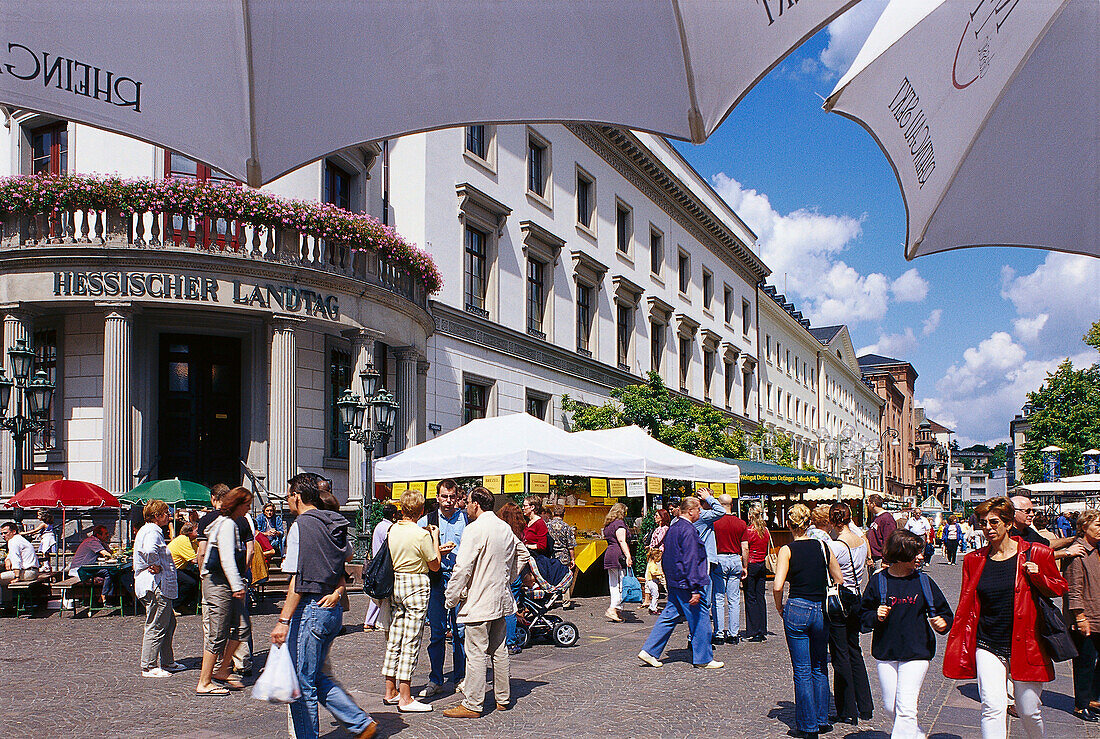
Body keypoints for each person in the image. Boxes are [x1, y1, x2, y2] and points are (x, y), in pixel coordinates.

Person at [944, 496, 1067, 739]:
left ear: (1009, 524)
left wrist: (1038, 575)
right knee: (992, 706)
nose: (987, 528)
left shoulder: (1037, 553)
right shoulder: (973, 560)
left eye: (994, 522)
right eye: (983, 523)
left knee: (1028, 710)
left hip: (1027, 643)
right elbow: (968, 604)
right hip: (987, 642)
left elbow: (1059, 588)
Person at [270, 475, 377, 739]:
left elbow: (297, 578)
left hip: (310, 608)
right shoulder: (334, 521)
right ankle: (360, 723)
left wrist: (283, 620)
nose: (287, 501)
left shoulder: (300, 526)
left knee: (301, 683)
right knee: (315, 675)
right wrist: (338, 587)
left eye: (287, 496)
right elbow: (348, 555)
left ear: (296, 495)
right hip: (331, 610)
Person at [442, 487, 532, 718]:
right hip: (500, 599)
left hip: (480, 601)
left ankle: (472, 703)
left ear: (476, 504)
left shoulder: (475, 529)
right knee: (499, 650)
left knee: (476, 653)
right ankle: (502, 698)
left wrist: (450, 598)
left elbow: (462, 568)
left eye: (467, 502)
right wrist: (507, 577)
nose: (465, 506)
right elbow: (523, 553)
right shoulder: (504, 527)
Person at [861, 530, 953, 737]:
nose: (921, 557)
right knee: (891, 706)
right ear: (900, 554)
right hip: (886, 651)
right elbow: (862, 617)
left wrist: (943, 623)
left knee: (906, 707)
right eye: (916, 553)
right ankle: (916, 735)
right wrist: (875, 615)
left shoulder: (924, 582)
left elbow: (946, 613)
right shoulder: (879, 581)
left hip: (917, 651)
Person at [772, 503, 845, 739]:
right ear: (808, 523)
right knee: (819, 665)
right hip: (821, 608)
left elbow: (777, 585)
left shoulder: (787, 549)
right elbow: (839, 577)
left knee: (802, 670)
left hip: (798, 607)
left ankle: (807, 725)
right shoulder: (823, 546)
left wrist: (778, 605)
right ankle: (822, 719)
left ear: (790, 525)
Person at [638, 496, 724, 669]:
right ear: (691, 511)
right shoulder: (688, 530)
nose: (700, 512)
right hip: (686, 583)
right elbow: (692, 560)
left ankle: (649, 651)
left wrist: (670, 581)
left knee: (669, 617)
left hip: (676, 581)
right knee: (701, 619)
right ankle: (703, 658)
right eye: (699, 509)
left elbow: (668, 557)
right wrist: (695, 588)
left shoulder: (674, 528)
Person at [381, 489, 441, 713]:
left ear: (402, 508)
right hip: (416, 584)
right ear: (422, 510)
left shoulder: (393, 529)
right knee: (411, 640)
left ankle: (390, 690)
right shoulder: (421, 534)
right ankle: (405, 697)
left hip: (396, 583)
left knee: (395, 638)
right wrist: (435, 539)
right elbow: (434, 564)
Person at [196, 487, 253, 696]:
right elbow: (226, 558)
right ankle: (204, 681)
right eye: (246, 504)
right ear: (238, 504)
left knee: (242, 628)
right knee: (218, 632)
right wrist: (237, 585)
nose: (248, 508)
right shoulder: (227, 524)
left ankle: (222, 670)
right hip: (218, 582)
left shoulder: (228, 522)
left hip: (225, 582)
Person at [417, 479, 468, 699]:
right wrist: (435, 553)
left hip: (459, 580)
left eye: (452, 497)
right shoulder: (425, 522)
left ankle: (461, 677)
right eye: (444, 497)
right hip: (435, 581)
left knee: (461, 632)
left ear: (457, 497)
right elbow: (416, 552)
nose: (448, 501)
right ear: (437, 497)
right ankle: (436, 678)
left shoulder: (466, 520)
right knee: (437, 632)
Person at [825, 502, 874, 727]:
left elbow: (833, 576)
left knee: (839, 653)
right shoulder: (861, 541)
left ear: (833, 521)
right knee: (855, 651)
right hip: (856, 596)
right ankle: (864, 704)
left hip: (840, 599)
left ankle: (847, 708)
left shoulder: (835, 546)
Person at [134, 500, 183, 677]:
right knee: (157, 624)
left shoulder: (149, 530)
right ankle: (148, 665)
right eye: (166, 513)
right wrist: (155, 564)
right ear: (157, 516)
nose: (169, 515)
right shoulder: (153, 531)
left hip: (154, 583)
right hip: (156, 584)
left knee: (169, 623)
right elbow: (149, 550)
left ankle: (168, 661)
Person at [1063, 509, 1100, 722]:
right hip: (1086, 616)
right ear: (1084, 527)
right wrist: (1079, 617)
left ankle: (1094, 698)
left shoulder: (1097, 549)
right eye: (1098, 525)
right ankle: (1081, 704)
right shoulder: (1078, 552)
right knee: (1085, 661)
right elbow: (1073, 588)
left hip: (1099, 612)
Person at [712, 493, 748, 645]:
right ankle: (733, 634)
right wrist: (745, 566)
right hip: (735, 559)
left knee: (719, 599)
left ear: (719, 505)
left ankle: (719, 633)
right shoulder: (741, 523)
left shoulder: (714, 523)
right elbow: (745, 547)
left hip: (719, 559)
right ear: (731, 505)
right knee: (734, 600)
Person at [691, 489, 727, 638]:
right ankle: (701, 637)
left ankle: (694, 635)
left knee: (696, 600)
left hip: (693, 560)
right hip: (705, 560)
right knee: (705, 600)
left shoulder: (680, 519)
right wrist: (710, 498)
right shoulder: (703, 516)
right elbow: (721, 511)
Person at [498, 502, 528, 654]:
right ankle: (509, 640)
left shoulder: (504, 530)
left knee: (509, 610)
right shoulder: (519, 530)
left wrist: (511, 574)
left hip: (507, 574)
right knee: (511, 607)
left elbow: (523, 553)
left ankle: (509, 641)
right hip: (513, 575)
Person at [364, 503, 399, 630]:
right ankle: (371, 621)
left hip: (377, 561)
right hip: (383, 563)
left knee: (378, 593)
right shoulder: (389, 527)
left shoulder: (379, 525)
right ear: (394, 515)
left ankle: (371, 620)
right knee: (379, 594)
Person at [69, 525, 121, 602]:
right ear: (98, 535)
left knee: (114, 572)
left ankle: (107, 596)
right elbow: (105, 553)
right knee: (109, 573)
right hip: (80, 570)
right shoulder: (92, 541)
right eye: (105, 534)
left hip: (88, 567)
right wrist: (116, 556)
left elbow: (108, 551)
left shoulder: (100, 542)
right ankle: (104, 596)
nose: (108, 535)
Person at [743, 504, 771, 643]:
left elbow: (746, 549)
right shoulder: (765, 530)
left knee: (750, 597)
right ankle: (762, 628)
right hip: (761, 564)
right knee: (760, 596)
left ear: (750, 515)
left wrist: (744, 566)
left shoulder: (748, 531)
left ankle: (754, 629)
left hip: (752, 563)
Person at [602, 502, 633, 622]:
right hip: (618, 555)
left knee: (614, 584)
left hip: (609, 554)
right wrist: (628, 556)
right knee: (622, 584)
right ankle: (613, 608)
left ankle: (616, 610)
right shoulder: (619, 524)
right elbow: (622, 541)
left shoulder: (608, 525)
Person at [1, 522, 40, 608]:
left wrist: (17, 577)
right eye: (2, 533)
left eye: (5, 533)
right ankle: (7, 603)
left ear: (13, 531)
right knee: (4, 579)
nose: (3, 536)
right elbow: (11, 555)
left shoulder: (13, 541)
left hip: (27, 572)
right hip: (33, 571)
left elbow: (16, 560)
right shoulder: (19, 539)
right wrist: (7, 559)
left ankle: (6, 604)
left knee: (1, 578)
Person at [546, 504, 577, 609]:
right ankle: (566, 601)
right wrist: (573, 559)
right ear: (564, 513)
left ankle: (551, 600)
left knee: (551, 577)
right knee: (565, 577)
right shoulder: (566, 527)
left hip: (551, 555)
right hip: (563, 555)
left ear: (553, 513)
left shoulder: (547, 525)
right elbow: (571, 545)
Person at [169, 522, 201, 612]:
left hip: (179, 568)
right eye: (196, 531)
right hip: (172, 569)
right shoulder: (183, 540)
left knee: (196, 579)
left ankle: (184, 604)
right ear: (189, 532)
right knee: (190, 582)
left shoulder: (192, 541)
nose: (198, 533)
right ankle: (175, 604)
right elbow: (194, 559)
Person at [867, 495, 897, 570]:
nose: (867, 505)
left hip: (881, 559)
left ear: (873, 504)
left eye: (868, 503)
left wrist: (886, 560)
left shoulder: (886, 518)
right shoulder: (876, 518)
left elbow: (889, 540)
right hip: (874, 557)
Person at [643, 548, 665, 615]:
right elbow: (653, 573)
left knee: (654, 594)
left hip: (652, 581)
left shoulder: (651, 563)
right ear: (656, 557)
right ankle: (653, 608)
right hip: (652, 581)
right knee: (655, 595)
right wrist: (661, 574)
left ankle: (652, 607)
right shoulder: (653, 564)